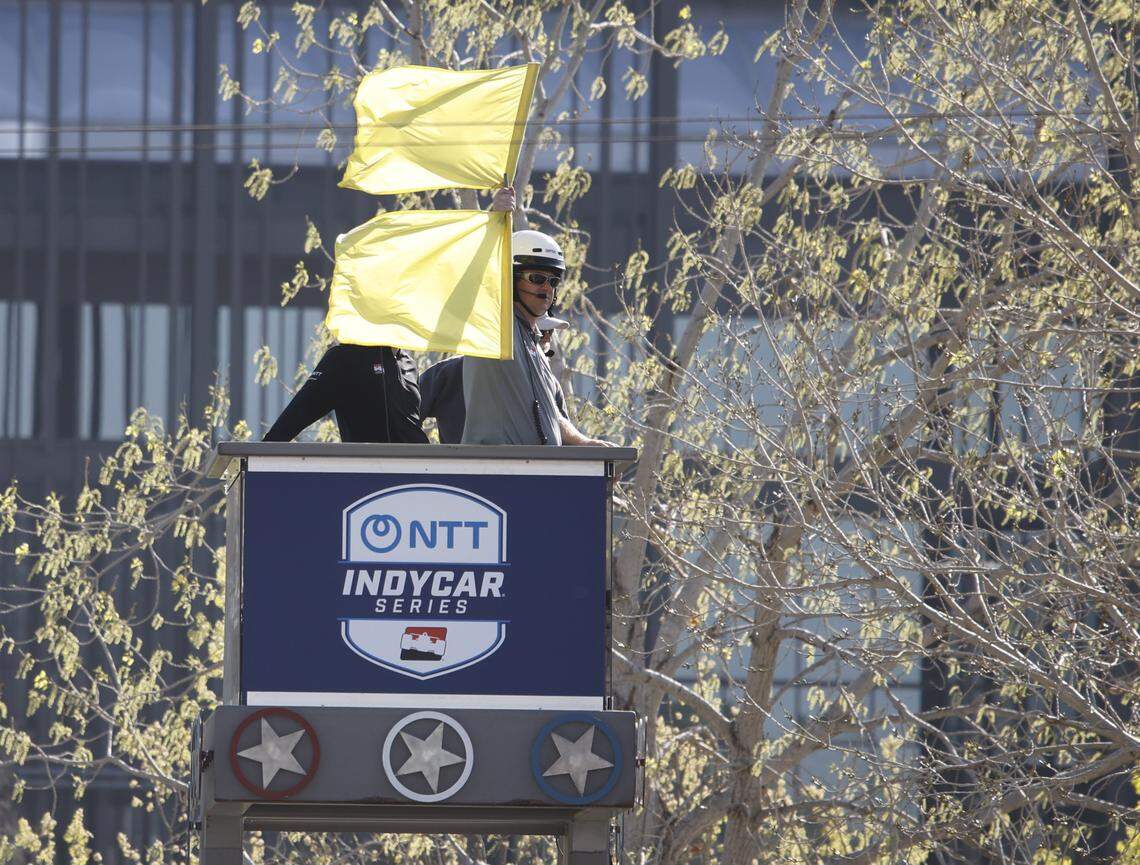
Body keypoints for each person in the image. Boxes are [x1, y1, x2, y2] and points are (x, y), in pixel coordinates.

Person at [263, 188, 517, 443]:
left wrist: (493, 219)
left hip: (419, 479)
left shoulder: (406, 360)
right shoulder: (344, 358)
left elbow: (450, 282)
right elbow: (283, 431)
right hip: (374, 482)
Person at [461, 230, 610, 446]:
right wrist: (496, 221)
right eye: (537, 278)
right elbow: (478, 285)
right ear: (510, 279)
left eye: (553, 281)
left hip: (537, 473)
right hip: (495, 472)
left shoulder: (537, 349)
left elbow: (550, 416)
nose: (547, 288)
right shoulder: (496, 327)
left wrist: (584, 443)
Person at [419, 314, 570, 444]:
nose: (546, 337)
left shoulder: (551, 385)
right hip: (461, 473)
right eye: (540, 331)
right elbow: (405, 416)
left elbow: (564, 440)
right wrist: (427, 463)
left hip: (527, 473)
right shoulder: (450, 372)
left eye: (549, 331)